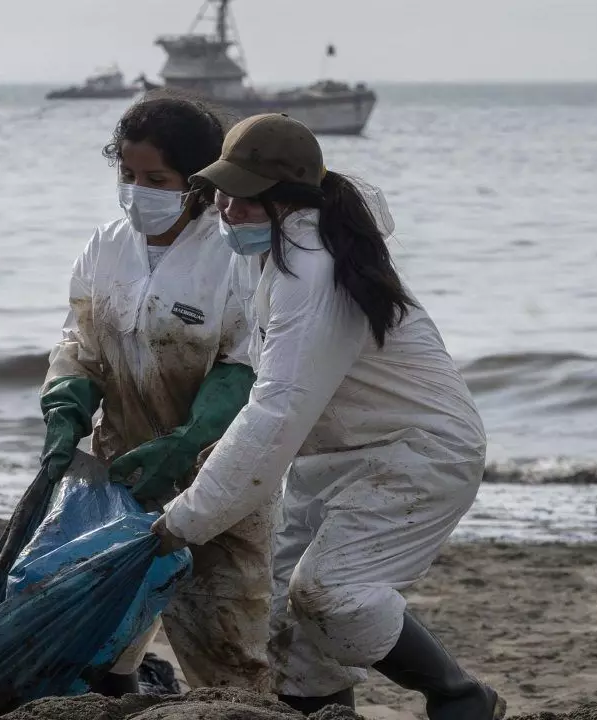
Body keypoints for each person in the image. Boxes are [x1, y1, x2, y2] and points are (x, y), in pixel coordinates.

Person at [153, 113, 505, 719]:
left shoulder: (314, 267)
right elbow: (271, 380)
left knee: (332, 594)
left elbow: (279, 408)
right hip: (336, 454)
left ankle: (460, 696)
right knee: (293, 625)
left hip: (416, 452)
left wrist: (185, 519)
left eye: (244, 197)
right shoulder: (271, 252)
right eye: (222, 192)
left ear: (287, 199)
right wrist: (215, 457)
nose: (228, 210)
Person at [41, 92, 271, 696]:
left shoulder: (233, 255)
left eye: (156, 179)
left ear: (196, 182)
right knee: (102, 639)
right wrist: (66, 402)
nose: (138, 190)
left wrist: (187, 442)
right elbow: (82, 339)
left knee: (226, 645)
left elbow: (245, 363)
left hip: (218, 472)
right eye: (128, 175)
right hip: (122, 466)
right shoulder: (107, 246)